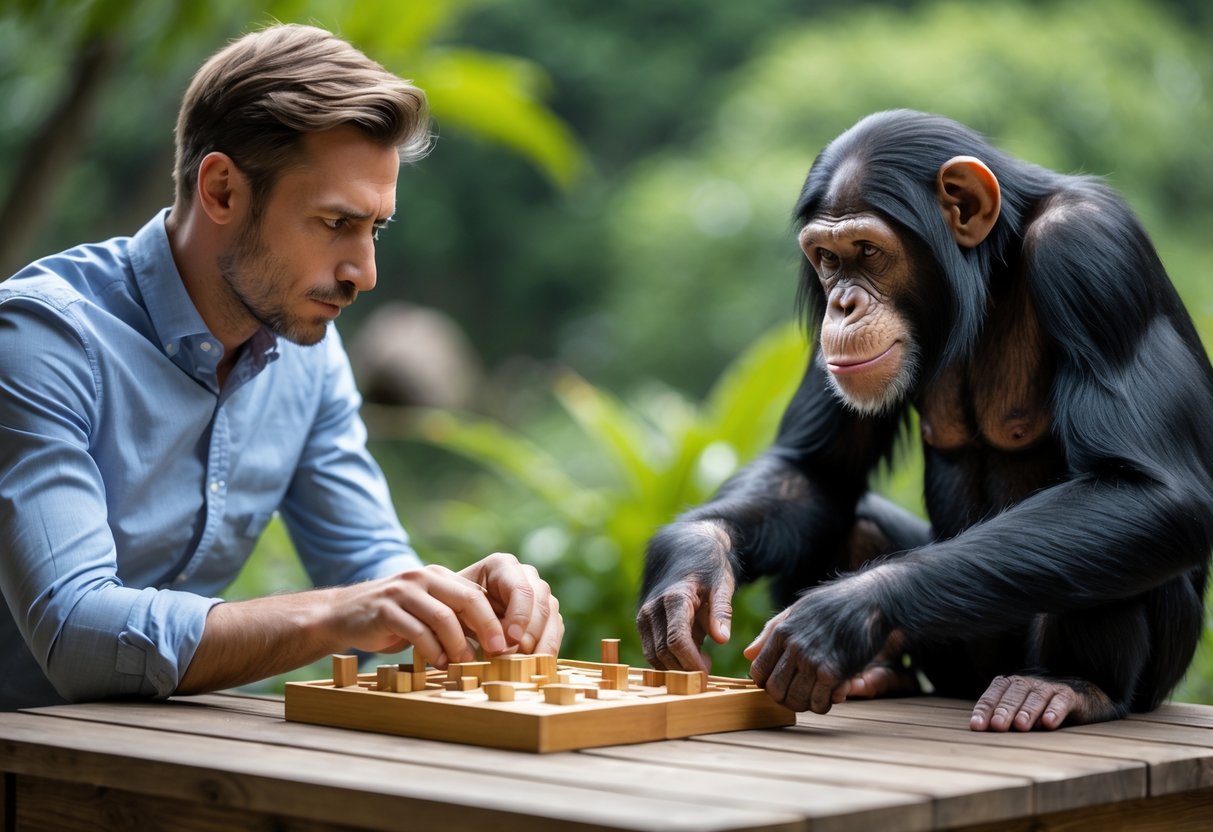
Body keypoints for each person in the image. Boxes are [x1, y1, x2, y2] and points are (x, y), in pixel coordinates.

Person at [0, 24, 562, 710]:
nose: (365, 273)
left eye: (374, 229)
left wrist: (449, 605)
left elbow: (369, 571)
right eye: (335, 224)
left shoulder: (307, 353)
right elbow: (75, 636)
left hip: (148, 767)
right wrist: (337, 615)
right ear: (223, 191)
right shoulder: (39, 338)